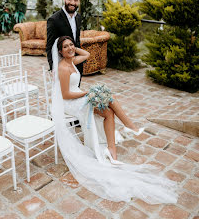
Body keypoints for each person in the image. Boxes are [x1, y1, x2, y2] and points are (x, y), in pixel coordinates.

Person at [51, 36, 178, 204]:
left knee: (109, 113)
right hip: (70, 103)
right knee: (109, 99)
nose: (70, 48)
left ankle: (113, 153)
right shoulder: (62, 67)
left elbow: (87, 54)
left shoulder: (73, 59)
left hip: (79, 95)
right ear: (59, 51)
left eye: (71, 45)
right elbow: (66, 94)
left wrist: (74, 47)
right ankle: (129, 125)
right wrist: (88, 93)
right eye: (65, 47)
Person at [46, 0, 82, 74]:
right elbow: (49, 45)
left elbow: (77, 40)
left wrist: (80, 62)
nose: (73, 3)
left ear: (79, 1)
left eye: (76, 0)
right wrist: (52, 67)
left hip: (76, 64)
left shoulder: (78, 17)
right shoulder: (54, 19)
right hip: (61, 65)